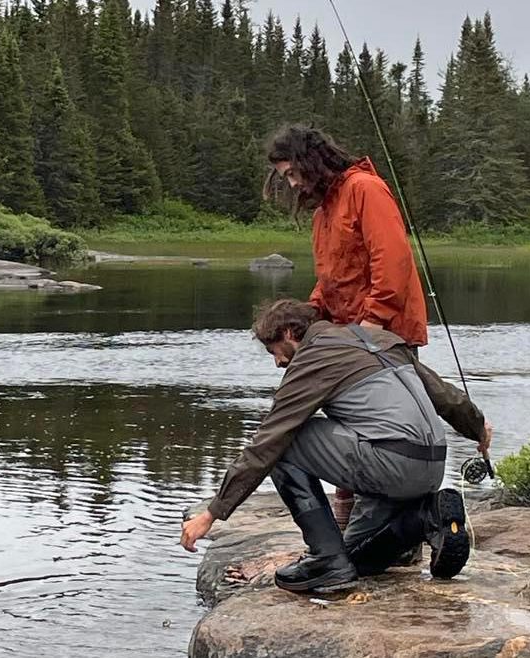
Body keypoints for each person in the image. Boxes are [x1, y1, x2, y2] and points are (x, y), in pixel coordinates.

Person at [180, 299, 493, 593]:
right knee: (355, 560)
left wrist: (212, 512)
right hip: (431, 465)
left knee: (283, 442)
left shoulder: (312, 358)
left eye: (274, 350)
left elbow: (267, 441)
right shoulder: (380, 338)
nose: (277, 362)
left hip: (393, 464)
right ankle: (426, 518)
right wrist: (477, 427)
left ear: (290, 333)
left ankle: (324, 556)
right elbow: (443, 395)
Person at [265, 124, 430, 537]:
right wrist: (308, 316)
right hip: (351, 338)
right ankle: (349, 524)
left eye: (291, 173)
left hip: (385, 338)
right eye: (285, 176)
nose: (292, 182)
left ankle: (392, 532)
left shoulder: (365, 191)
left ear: (310, 162)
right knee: (350, 427)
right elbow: (331, 278)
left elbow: (392, 266)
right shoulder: (325, 210)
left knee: (384, 430)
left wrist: (369, 329)